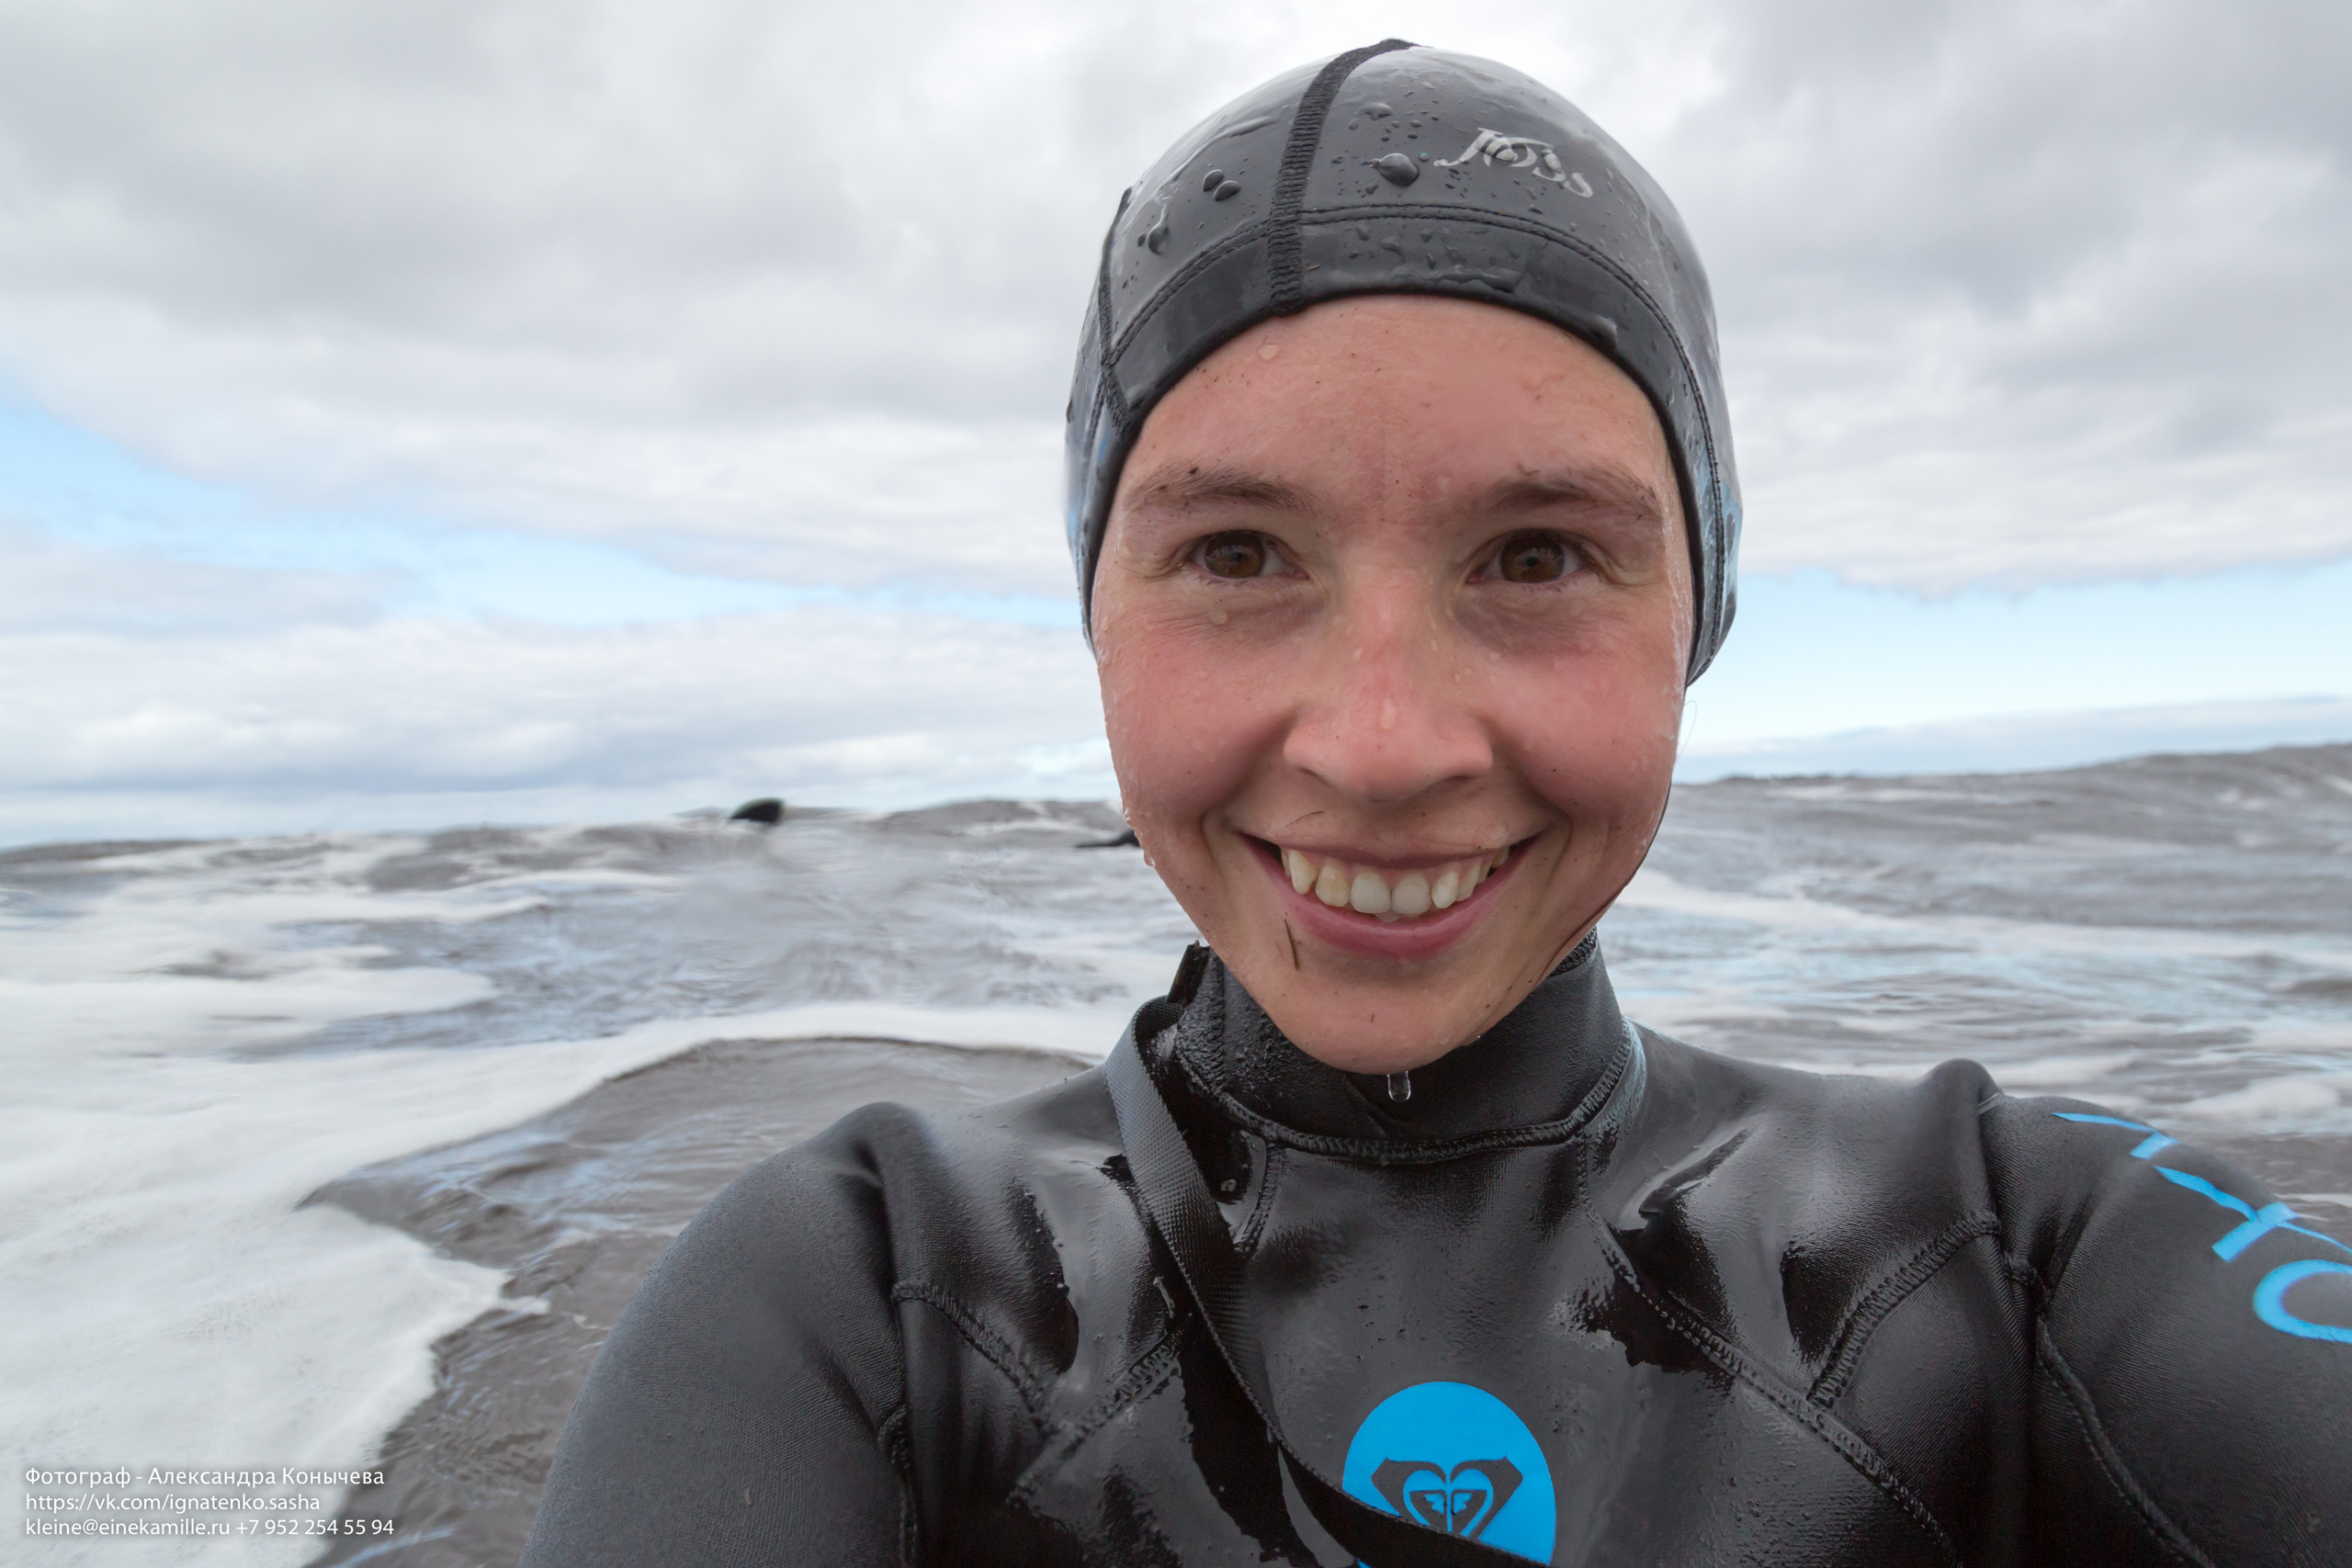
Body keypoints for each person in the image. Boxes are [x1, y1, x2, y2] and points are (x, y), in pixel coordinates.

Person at [520, 42, 2352, 1566]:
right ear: (1095, 613)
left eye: (1536, 552)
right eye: (1236, 550)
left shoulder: (2019, 1237)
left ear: (1690, 614)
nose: (1382, 744)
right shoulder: (861, 1290)